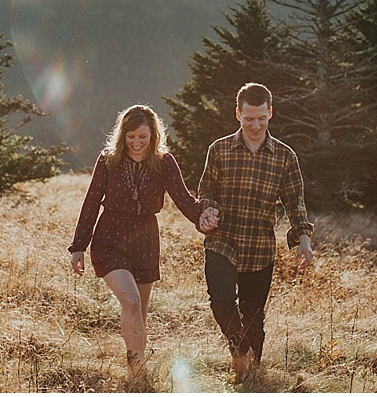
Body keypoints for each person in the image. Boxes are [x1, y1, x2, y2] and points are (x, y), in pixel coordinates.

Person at [68, 104, 219, 388]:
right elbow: (90, 202)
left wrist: (202, 218)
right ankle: (136, 371)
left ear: (153, 136)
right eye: (131, 137)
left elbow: (183, 198)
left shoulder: (164, 162)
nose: (136, 143)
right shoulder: (108, 161)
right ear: (122, 136)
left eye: (143, 137)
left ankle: (137, 371)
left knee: (140, 310)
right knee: (131, 301)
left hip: (146, 240)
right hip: (110, 237)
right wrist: (79, 245)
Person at [197, 82, 314, 383]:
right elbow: (206, 189)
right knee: (221, 301)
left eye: (261, 117)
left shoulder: (285, 157)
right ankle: (241, 351)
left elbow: (294, 200)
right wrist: (208, 210)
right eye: (249, 118)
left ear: (270, 113)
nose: (255, 124)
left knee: (253, 317)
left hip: (260, 247)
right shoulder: (219, 149)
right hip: (223, 241)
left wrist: (303, 238)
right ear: (238, 114)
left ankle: (250, 378)